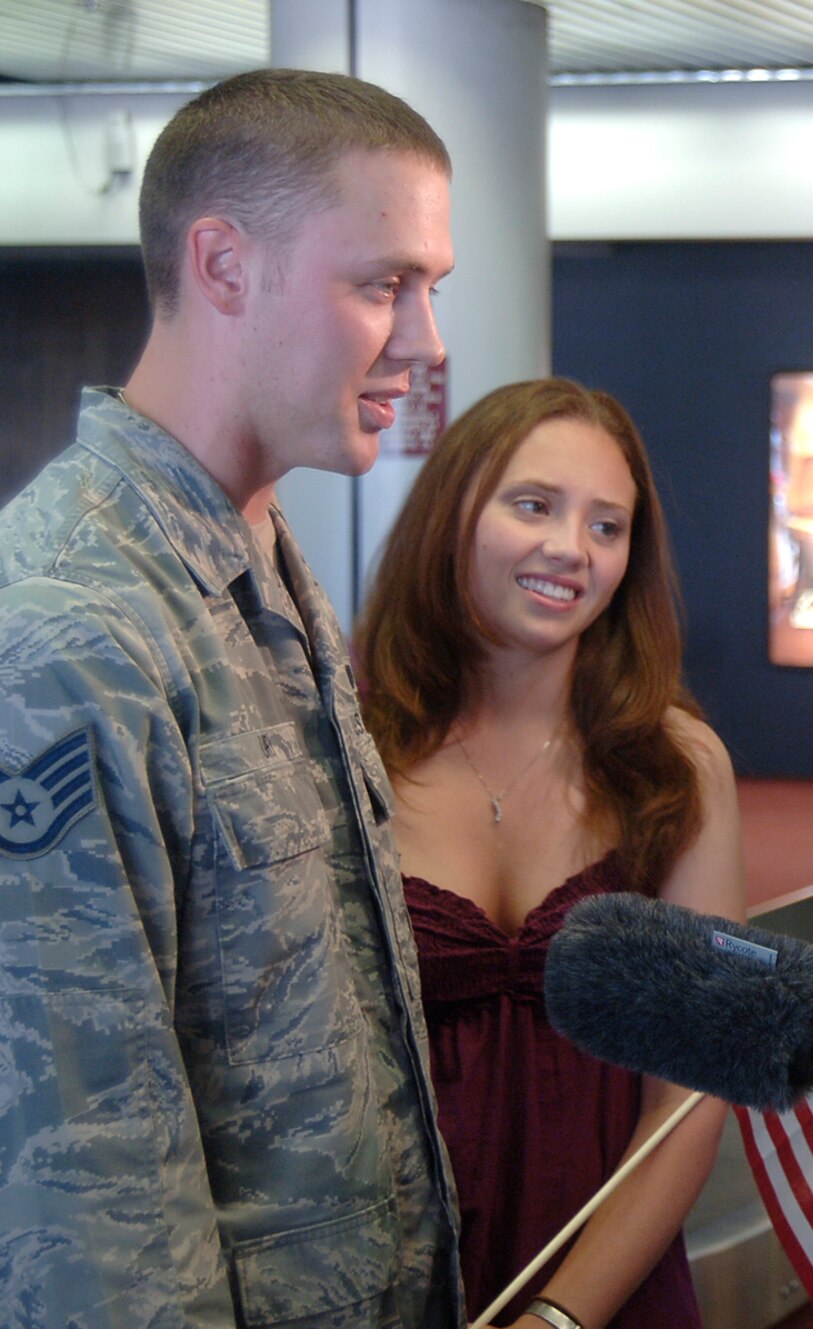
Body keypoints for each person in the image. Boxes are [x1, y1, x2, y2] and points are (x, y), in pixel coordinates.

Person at [0, 70, 460, 1325]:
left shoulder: (262, 566)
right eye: (383, 284)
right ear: (222, 264)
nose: (424, 344)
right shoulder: (68, 629)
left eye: (431, 290)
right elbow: (89, 1212)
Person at [355, 377, 746, 1329]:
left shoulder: (676, 764)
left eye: (607, 526)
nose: (571, 549)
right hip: (387, 1272)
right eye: (534, 505)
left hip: (608, 1283)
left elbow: (692, 1092)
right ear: (453, 513)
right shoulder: (347, 746)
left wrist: (562, 1316)